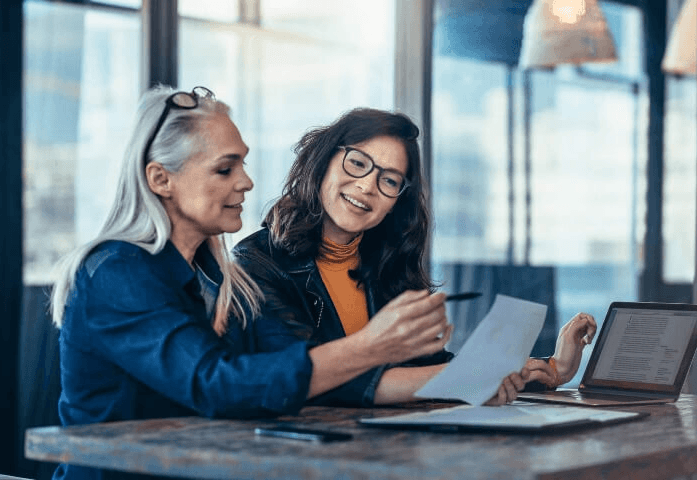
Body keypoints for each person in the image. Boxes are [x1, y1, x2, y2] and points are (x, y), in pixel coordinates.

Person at [49, 87, 459, 480]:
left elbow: (270, 374)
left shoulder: (215, 276)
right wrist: (371, 346)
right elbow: (218, 385)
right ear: (160, 180)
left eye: (243, 164)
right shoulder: (116, 273)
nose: (246, 181)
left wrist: (473, 375)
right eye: (226, 168)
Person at [233, 107, 597, 407]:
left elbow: (428, 368)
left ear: (396, 202)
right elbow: (310, 378)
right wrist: (470, 378)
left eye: (389, 180)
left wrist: (549, 369)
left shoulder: (385, 263)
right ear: (324, 160)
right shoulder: (256, 263)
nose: (367, 186)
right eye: (357, 163)